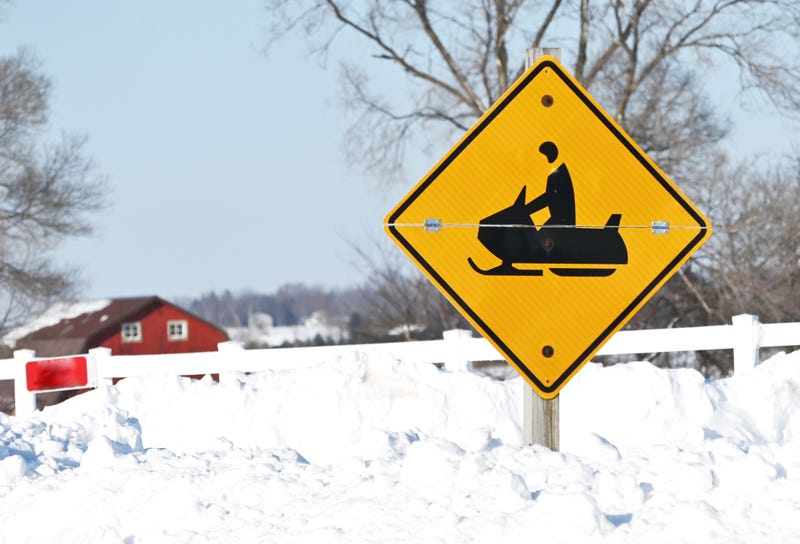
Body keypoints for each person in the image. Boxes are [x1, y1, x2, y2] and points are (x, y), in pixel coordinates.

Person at [525, 141, 576, 226]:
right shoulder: (555, 173)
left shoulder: (558, 174)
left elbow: (548, 197)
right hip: (559, 221)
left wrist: (526, 209)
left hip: (562, 223)